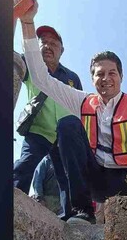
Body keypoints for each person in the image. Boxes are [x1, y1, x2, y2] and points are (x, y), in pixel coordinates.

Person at [14, 0, 127, 224]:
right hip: (94, 180)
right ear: (92, 79)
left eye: (112, 73)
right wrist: (27, 23)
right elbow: (41, 79)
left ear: (121, 76)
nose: (106, 79)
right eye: (100, 74)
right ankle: (82, 211)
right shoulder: (83, 101)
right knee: (68, 124)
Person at [12, 18, 83, 195]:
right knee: (24, 166)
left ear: (62, 50)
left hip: (64, 137)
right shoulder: (30, 65)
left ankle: (71, 217)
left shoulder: (72, 77)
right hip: (38, 129)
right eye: (43, 42)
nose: (48, 46)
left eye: (53, 43)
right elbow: (15, 62)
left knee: (67, 178)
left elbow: (82, 107)